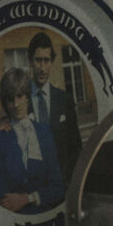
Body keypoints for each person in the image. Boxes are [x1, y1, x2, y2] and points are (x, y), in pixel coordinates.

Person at [0, 65, 63, 212]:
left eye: (20, 96)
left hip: (45, 217)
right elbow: (3, 196)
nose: (16, 104)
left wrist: (29, 198)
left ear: (28, 96)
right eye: (10, 99)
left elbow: (58, 187)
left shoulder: (44, 132)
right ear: (4, 101)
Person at [27, 31, 83, 176]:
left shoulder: (65, 99)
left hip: (61, 186)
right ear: (30, 62)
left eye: (46, 60)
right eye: (38, 60)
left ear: (51, 62)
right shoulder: (20, 100)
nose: (42, 67)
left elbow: (75, 147)